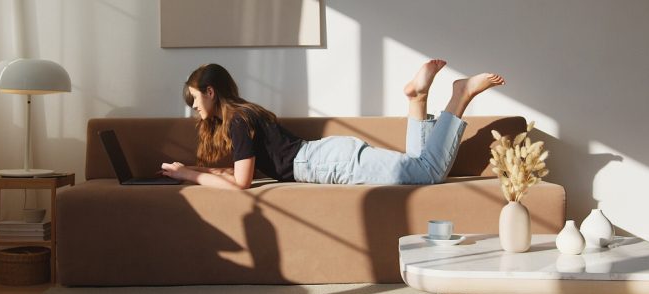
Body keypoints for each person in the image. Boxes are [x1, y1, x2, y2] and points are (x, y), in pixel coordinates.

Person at [160, 61, 505, 190]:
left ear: (209, 91)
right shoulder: (244, 115)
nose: (192, 108)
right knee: (418, 167)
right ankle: (417, 98)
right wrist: (187, 167)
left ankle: (459, 96)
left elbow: (241, 182)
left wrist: (188, 176)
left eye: (193, 99)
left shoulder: (237, 121)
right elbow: (237, 170)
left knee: (428, 172)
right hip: (323, 158)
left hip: (324, 163)